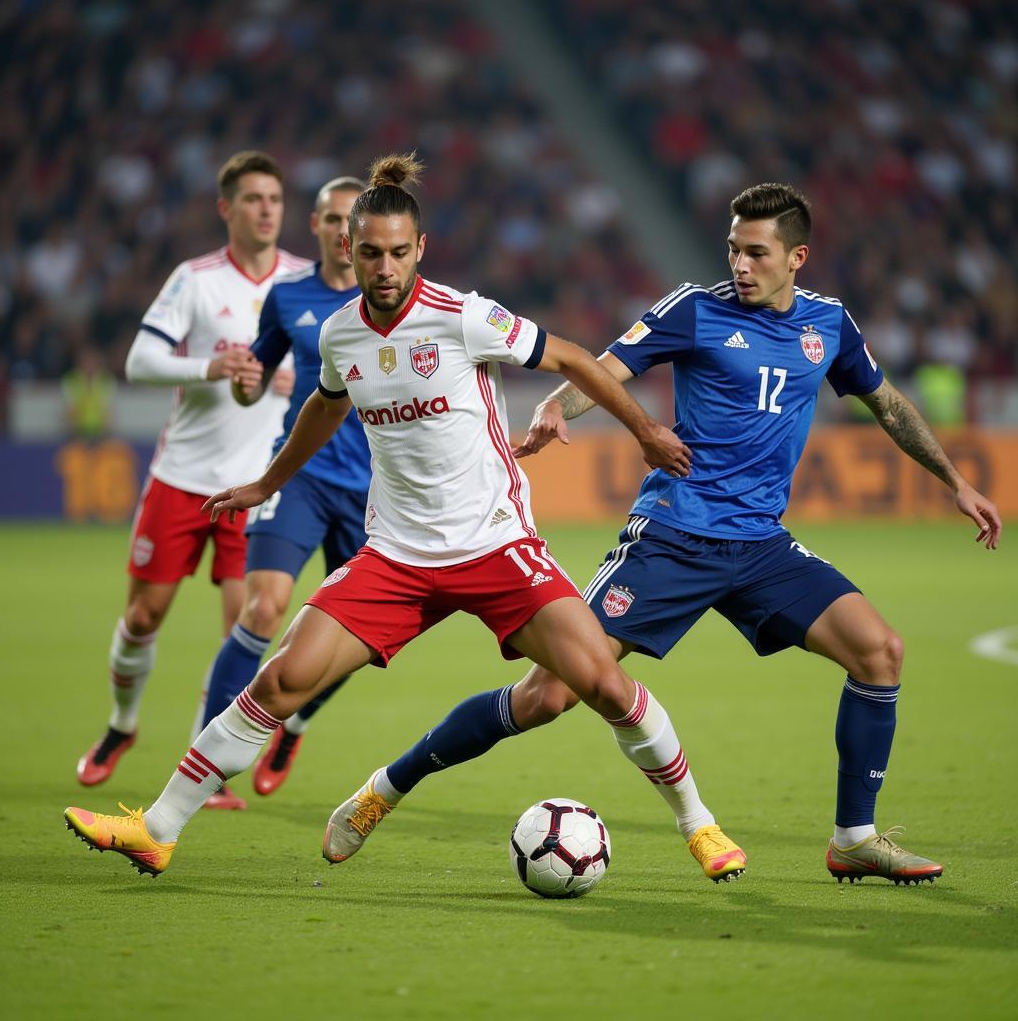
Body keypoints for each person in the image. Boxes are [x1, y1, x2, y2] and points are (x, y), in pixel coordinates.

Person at [63, 153, 745, 884]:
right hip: (397, 557)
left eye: (397, 252)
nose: (384, 267)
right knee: (280, 681)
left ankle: (698, 824)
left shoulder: (463, 317)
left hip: (495, 546)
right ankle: (157, 829)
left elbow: (575, 358)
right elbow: (322, 408)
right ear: (348, 250)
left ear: (419, 249)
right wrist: (264, 480)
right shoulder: (339, 335)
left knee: (604, 685)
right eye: (369, 253)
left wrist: (644, 431)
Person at [317, 182, 1002, 886]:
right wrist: (557, 407)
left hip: (761, 545)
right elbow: (604, 367)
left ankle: (854, 838)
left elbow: (885, 403)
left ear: (797, 256)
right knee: (546, 697)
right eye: (733, 248)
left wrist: (955, 482)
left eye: (757, 253)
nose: (739, 263)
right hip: (672, 536)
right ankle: (387, 787)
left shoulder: (829, 326)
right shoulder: (695, 309)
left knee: (879, 651)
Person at [75, 151, 311, 806]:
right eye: (253, 198)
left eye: (274, 199)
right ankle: (122, 725)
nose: (266, 209)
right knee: (144, 615)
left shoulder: (303, 282)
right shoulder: (196, 280)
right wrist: (212, 367)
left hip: (258, 485)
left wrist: (297, 380)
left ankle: (203, 767)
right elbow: (141, 360)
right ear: (226, 208)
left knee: (245, 624)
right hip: (182, 478)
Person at [190, 175, 371, 808]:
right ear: (317, 227)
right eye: (332, 220)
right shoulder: (288, 296)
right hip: (302, 478)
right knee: (264, 609)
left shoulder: (399, 306)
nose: (343, 234)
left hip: (379, 495)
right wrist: (242, 380)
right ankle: (207, 766)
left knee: (357, 643)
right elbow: (255, 381)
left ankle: (293, 723)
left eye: (355, 222)